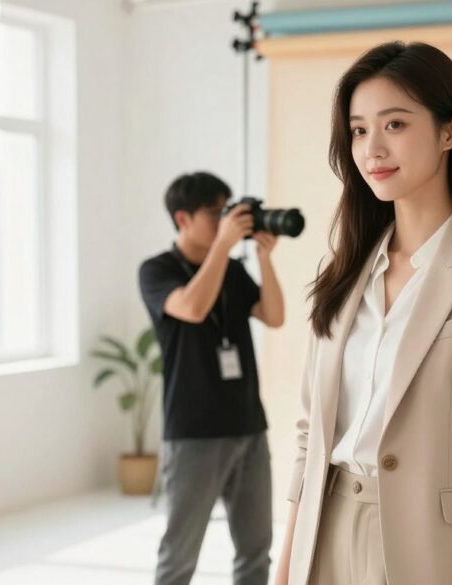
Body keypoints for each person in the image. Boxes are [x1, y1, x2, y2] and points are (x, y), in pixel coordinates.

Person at [275, 41, 452, 585]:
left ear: (451, 132)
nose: (372, 148)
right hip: (325, 535)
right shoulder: (346, 272)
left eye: (394, 124)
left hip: (437, 551)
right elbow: (311, 439)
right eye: (358, 130)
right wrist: (284, 571)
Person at [139, 171, 285, 585]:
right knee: (180, 557)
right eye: (214, 212)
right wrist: (223, 244)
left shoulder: (233, 272)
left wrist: (264, 259)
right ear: (182, 219)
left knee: (256, 552)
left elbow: (274, 316)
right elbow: (192, 308)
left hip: (249, 428)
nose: (224, 219)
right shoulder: (156, 270)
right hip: (194, 434)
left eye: (227, 209)